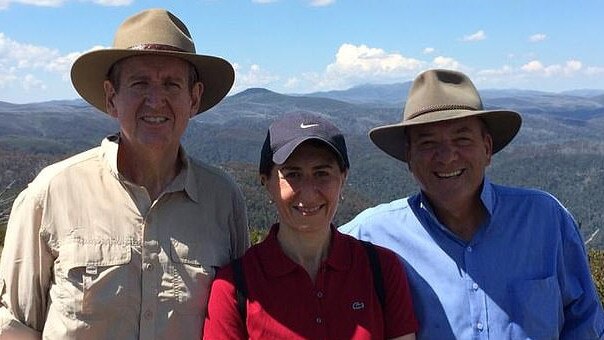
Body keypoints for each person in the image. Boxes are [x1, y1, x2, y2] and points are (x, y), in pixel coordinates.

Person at [0, 8, 249, 339]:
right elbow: (13, 325)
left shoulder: (223, 199)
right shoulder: (51, 193)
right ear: (111, 98)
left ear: (194, 98)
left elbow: (238, 318)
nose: (155, 100)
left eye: (172, 84)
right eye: (139, 83)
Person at [339, 68, 604, 339]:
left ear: (487, 148)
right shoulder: (371, 236)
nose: (446, 156)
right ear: (409, 157)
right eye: (428, 142)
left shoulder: (546, 220)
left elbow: (585, 322)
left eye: (462, 139)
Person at [203, 112, 418, 339]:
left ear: (343, 178)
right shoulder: (235, 287)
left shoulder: (382, 270)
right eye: (293, 174)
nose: (308, 192)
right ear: (267, 182)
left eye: (322, 173)